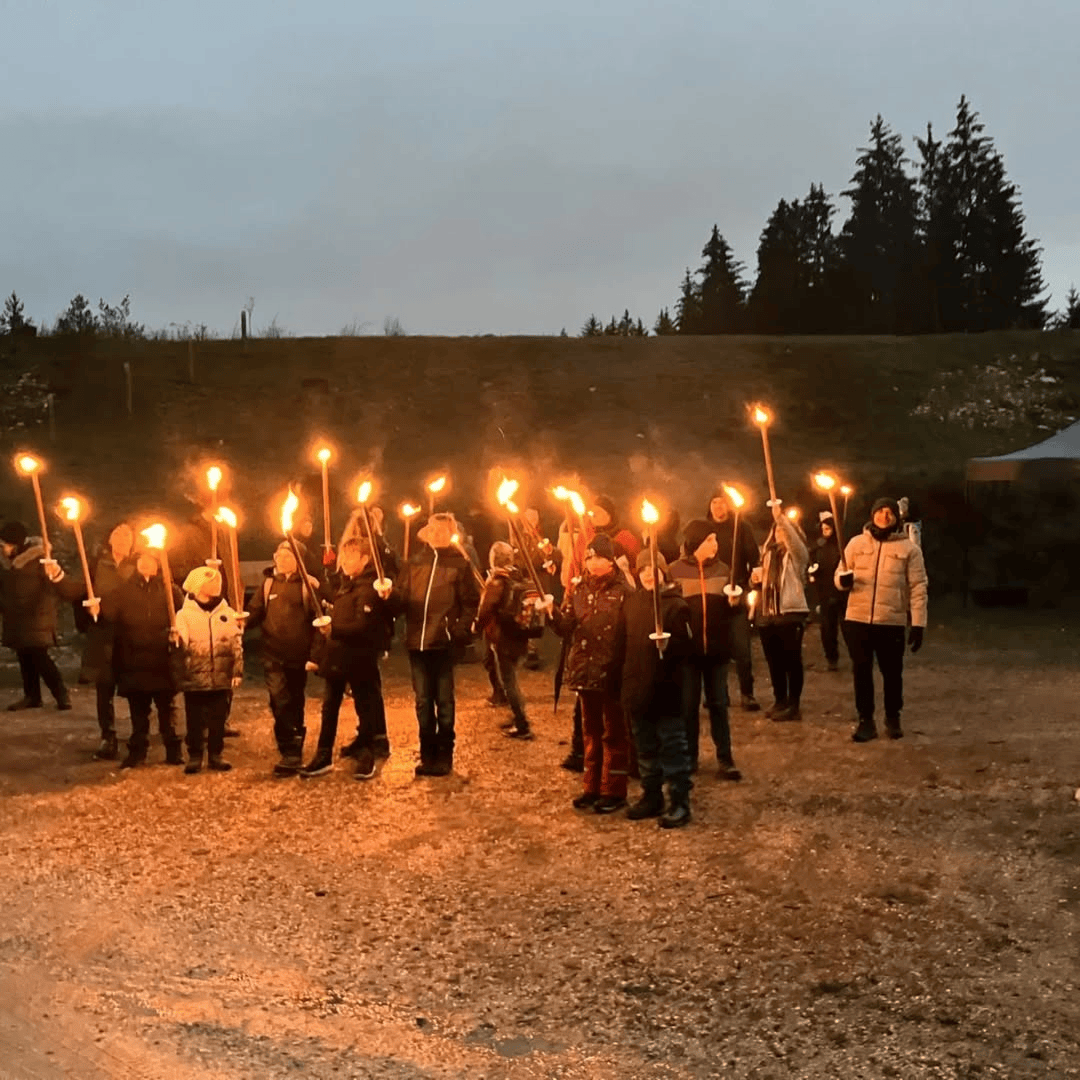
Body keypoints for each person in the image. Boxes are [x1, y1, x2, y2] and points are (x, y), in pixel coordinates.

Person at [391, 513, 480, 777]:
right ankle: (427, 754)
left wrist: (459, 630)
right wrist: (388, 596)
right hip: (417, 643)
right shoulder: (414, 563)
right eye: (433, 530)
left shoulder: (459, 565)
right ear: (427, 534)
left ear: (451, 534)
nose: (437, 534)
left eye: (443, 530)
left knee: (444, 701)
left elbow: (470, 602)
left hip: (444, 643)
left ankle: (444, 756)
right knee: (422, 701)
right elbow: (401, 600)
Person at [549, 534, 631, 813]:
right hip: (585, 670)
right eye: (589, 557)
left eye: (599, 557)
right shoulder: (579, 590)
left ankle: (613, 791)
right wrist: (551, 613)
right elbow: (566, 627)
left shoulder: (623, 591)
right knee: (590, 732)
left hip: (610, 671)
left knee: (613, 733)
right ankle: (591, 786)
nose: (594, 562)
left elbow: (628, 632)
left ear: (611, 560)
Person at [838, 496, 928, 742]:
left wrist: (918, 623)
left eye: (889, 512)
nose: (884, 516)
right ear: (872, 514)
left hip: (891, 621)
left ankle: (892, 716)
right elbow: (840, 572)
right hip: (858, 619)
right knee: (861, 671)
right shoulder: (856, 543)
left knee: (892, 672)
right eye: (880, 511)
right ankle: (866, 721)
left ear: (896, 517)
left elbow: (918, 587)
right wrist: (842, 581)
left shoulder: (909, 549)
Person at [303, 538, 394, 779]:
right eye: (344, 556)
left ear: (365, 559)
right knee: (329, 707)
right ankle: (323, 755)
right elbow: (336, 607)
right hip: (337, 656)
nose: (344, 561)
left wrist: (334, 630)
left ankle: (367, 755)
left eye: (351, 556)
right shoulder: (345, 586)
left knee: (365, 705)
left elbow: (363, 627)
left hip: (360, 658)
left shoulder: (370, 589)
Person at [622, 550, 694, 828]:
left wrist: (670, 645)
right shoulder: (632, 603)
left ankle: (679, 800)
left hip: (667, 688)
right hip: (639, 686)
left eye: (653, 569)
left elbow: (688, 649)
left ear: (663, 571)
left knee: (672, 745)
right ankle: (652, 795)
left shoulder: (676, 605)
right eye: (642, 570)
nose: (647, 575)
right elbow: (624, 643)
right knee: (645, 746)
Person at [95, 544, 184, 769]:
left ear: (158, 565)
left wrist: (178, 632)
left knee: (167, 709)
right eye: (141, 560)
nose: (145, 564)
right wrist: (96, 609)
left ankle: (173, 750)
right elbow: (109, 615)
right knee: (138, 711)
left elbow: (183, 617)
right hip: (133, 659)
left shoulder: (170, 590)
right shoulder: (124, 591)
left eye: (150, 560)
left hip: (162, 660)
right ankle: (137, 752)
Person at [668, 519, 741, 780]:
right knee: (688, 707)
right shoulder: (674, 571)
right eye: (710, 539)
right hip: (688, 652)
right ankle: (690, 757)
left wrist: (736, 603)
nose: (715, 544)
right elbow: (669, 609)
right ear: (696, 542)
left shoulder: (723, 569)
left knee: (719, 705)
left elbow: (734, 611)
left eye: (715, 539)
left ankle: (725, 758)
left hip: (717, 651)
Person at [245, 541, 322, 776]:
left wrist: (315, 655)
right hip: (272, 654)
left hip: (298, 655)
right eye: (280, 555)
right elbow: (255, 612)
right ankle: (289, 748)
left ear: (299, 560)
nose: (283, 560)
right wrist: (241, 622)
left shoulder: (307, 586)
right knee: (278, 700)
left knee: (295, 699)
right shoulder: (268, 584)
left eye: (289, 556)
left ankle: (295, 741)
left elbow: (319, 621)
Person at [0, 521, 80, 711]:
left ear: (16, 544)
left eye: (5, 545)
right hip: (16, 618)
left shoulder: (41, 560)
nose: (2, 549)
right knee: (25, 657)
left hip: (37, 617)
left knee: (40, 657)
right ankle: (32, 696)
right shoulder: (6, 564)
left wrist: (55, 577)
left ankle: (61, 693)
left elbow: (59, 588)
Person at [172, 566, 244, 773]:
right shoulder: (184, 615)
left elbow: (236, 644)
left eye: (217, 581)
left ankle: (215, 754)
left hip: (220, 675)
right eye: (211, 582)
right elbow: (181, 645)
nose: (216, 585)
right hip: (195, 675)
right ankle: (195, 755)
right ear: (198, 585)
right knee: (194, 719)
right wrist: (176, 641)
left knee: (218, 719)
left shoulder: (227, 613)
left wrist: (237, 671)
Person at [78, 522, 137, 759]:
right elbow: (77, 590)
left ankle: (139, 735)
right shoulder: (96, 565)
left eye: (127, 536)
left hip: (131, 635)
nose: (122, 539)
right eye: (118, 534)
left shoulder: (140, 565)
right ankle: (108, 736)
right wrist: (56, 575)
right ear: (110, 540)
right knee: (104, 688)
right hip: (103, 635)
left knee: (136, 688)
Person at [705, 487, 761, 711]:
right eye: (714, 502)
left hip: (738, 590)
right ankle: (718, 694)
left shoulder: (742, 527)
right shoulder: (705, 530)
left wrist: (749, 582)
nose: (718, 506)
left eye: (722, 502)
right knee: (715, 649)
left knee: (741, 647)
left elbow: (753, 558)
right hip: (713, 594)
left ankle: (747, 693)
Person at [755, 503, 810, 722]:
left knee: (791, 660)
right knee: (774, 661)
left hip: (790, 612)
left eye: (784, 530)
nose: (780, 532)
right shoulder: (767, 555)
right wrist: (754, 580)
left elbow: (794, 543)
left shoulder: (797, 555)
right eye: (776, 529)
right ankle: (780, 699)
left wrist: (782, 519)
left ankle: (794, 704)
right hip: (768, 613)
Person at [476, 541, 536, 740]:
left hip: (502, 637)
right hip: (520, 636)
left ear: (493, 559)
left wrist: (477, 626)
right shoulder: (520, 577)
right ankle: (517, 716)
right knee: (513, 680)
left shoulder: (497, 582)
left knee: (508, 682)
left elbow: (486, 609)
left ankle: (522, 724)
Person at [808, 512, 844, 672]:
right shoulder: (818, 547)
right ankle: (831, 657)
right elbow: (811, 563)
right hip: (824, 591)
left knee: (847, 626)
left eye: (828, 528)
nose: (825, 531)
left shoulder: (842, 546)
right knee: (828, 628)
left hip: (842, 591)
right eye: (823, 529)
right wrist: (813, 571)